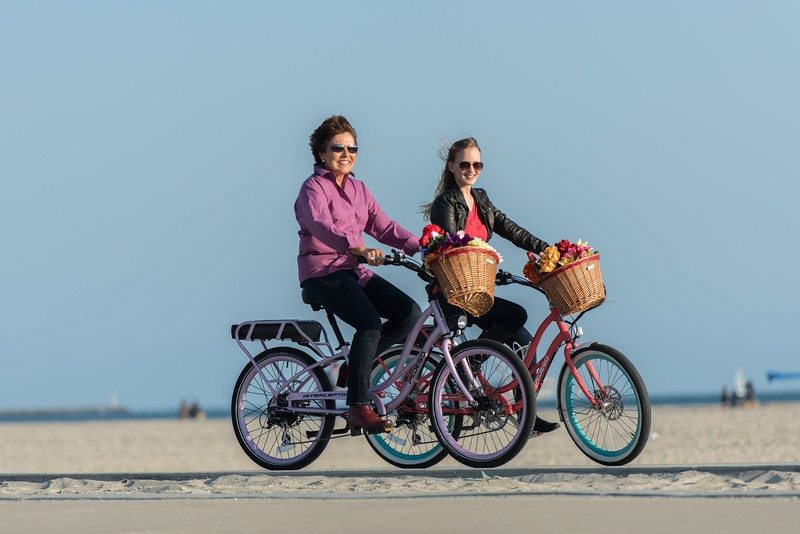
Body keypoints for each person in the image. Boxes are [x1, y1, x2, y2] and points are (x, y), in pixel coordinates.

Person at [423, 137, 560, 435]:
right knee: (516, 315)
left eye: (477, 164)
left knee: (523, 341)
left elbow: (510, 229)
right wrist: (483, 262)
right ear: (452, 166)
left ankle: (526, 413)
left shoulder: (480, 199)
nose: (471, 170)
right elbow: (452, 245)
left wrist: (548, 250)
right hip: (452, 292)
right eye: (464, 164)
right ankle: (471, 362)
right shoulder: (445, 203)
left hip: (477, 292)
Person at [294, 115, 422, 434]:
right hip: (322, 271)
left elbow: (383, 225)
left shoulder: (359, 189)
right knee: (368, 323)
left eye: (353, 148)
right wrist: (354, 246)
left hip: (354, 271)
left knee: (408, 314)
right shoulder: (313, 188)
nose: (346, 153)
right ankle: (358, 407)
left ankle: (355, 368)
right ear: (322, 153)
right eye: (338, 148)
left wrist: (422, 246)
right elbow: (320, 225)